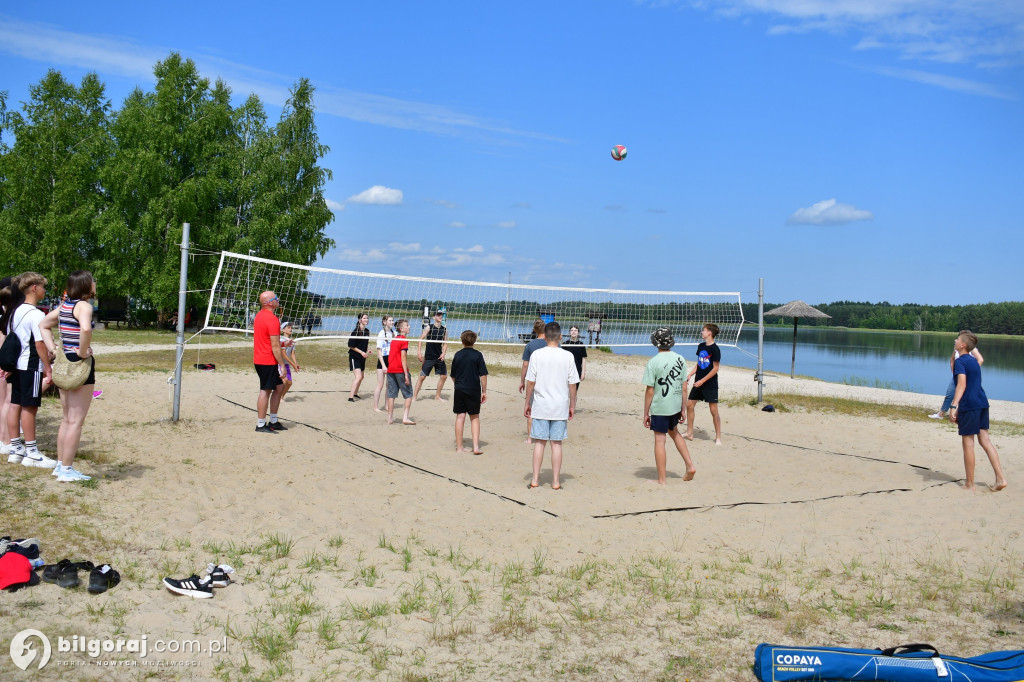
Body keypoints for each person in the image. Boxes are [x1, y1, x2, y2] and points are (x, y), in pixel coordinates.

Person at [38, 271, 97, 481]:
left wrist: (53, 348)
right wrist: (82, 352)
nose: (95, 284)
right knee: (75, 421)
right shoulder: (84, 306)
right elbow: (85, 329)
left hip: (63, 362)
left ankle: (61, 465)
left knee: (66, 419)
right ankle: (66, 470)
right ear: (86, 285)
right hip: (78, 363)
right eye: (93, 281)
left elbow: (43, 325)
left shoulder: (65, 306)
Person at [4, 273, 57, 468]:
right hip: (31, 365)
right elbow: (39, 343)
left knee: (15, 403)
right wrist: (47, 367)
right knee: (29, 407)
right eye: (43, 287)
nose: (45, 291)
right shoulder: (35, 314)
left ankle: (16, 448)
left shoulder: (15, 311)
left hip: (16, 365)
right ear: (34, 288)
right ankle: (32, 452)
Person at [949, 332, 1007, 492]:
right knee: (985, 441)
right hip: (982, 402)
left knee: (968, 443)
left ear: (962, 345)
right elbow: (956, 371)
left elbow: (961, 385)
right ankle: (1000, 478)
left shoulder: (962, 362)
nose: (955, 340)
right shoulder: (974, 361)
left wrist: (953, 406)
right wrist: (953, 358)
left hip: (970, 405)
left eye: (958, 339)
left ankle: (970, 484)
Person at [524, 322, 579, 490]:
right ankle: (555, 482)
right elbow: (572, 385)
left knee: (539, 443)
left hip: (541, 405)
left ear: (545, 337)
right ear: (561, 336)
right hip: (559, 406)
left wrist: (527, 402)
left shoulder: (537, 355)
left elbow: (530, 382)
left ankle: (535, 480)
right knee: (556, 444)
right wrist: (572, 405)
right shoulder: (567, 356)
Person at [642, 327, 696, 485]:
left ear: (656, 343)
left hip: (661, 406)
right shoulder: (680, 358)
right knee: (675, 433)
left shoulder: (653, 362)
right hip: (675, 405)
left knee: (660, 440)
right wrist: (683, 408)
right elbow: (684, 386)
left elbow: (650, 391)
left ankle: (662, 480)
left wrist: (646, 413)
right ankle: (690, 465)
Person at [253, 291, 288, 433]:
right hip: (267, 360)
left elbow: (270, 341)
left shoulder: (259, 315)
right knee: (265, 390)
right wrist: (282, 365)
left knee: (279, 388)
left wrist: (284, 344)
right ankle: (261, 424)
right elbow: (274, 346)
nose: (278, 300)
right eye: (276, 298)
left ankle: (273, 421)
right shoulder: (272, 319)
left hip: (262, 358)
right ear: (269, 302)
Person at [684, 323, 723, 445]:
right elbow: (699, 363)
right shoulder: (701, 346)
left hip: (709, 383)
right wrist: (690, 374)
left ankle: (718, 438)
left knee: (713, 410)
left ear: (709, 333)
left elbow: (715, 368)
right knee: (690, 405)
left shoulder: (715, 349)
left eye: (704, 330)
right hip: (698, 381)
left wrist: (702, 380)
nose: (702, 332)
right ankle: (690, 432)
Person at [930, 332, 984, 419]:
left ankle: (959, 414)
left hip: (966, 376)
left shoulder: (971, 348)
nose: (956, 340)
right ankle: (941, 414)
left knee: (964, 394)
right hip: (958, 374)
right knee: (950, 394)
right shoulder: (957, 349)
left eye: (959, 338)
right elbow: (952, 359)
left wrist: (972, 373)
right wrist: (953, 369)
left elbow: (980, 360)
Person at [451, 330, 488, 455]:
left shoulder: (458, 355)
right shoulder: (477, 355)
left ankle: (460, 447)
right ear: (474, 341)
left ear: (462, 341)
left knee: (460, 417)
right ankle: (476, 447)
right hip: (473, 389)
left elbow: (453, 375)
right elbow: (483, 375)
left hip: (460, 388)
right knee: (474, 417)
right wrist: (484, 391)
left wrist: (458, 384)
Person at [519, 319, 548, 443]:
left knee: (530, 408)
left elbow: (525, 365)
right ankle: (545, 435)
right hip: (549, 381)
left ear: (534, 330)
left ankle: (530, 438)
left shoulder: (530, 345)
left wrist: (522, 381)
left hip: (534, 380)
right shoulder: (553, 344)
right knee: (547, 408)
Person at [0, 276, 19, 461]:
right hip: (3, 364)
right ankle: (6, 441)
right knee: (6, 402)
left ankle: (4, 439)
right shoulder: (8, 316)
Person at [386, 319, 415, 425]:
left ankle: (390, 419)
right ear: (402, 329)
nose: (409, 327)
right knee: (408, 394)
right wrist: (406, 374)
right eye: (407, 325)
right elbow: (403, 358)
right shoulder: (403, 339)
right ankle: (405, 418)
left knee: (391, 395)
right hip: (399, 370)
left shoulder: (394, 339)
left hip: (391, 370)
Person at [414, 309, 448, 401]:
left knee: (444, 376)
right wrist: (419, 352)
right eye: (438, 315)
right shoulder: (429, 327)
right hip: (429, 357)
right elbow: (420, 339)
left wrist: (444, 353)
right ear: (434, 317)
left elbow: (445, 343)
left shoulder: (444, 329)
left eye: (441, 315)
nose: (440, 316)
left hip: (439, 357)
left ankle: (437, 396)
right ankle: (414, 397)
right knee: (422, 377)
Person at [347, 313, 371, 402]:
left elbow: (365, 344)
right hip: (355, 356)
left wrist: (368, 349)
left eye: (367, 318)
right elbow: (350, 345)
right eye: (364, 318)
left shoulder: (367, 331)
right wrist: (361, 352)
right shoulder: (355, 332)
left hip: (362, 356)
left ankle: (356, 393)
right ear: (360, 320)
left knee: (362, 377)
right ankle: (350, 397)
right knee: (358, 376)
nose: (366, 319)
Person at [373, 315, 394, 412]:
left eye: (393, 320)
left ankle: (386, 406)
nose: (392, 322)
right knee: (380, 384)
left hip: (391, 360)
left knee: (389, 385)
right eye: (390, 320)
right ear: (384, 322)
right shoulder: (381, 334)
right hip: (383, 361)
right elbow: (379, 351)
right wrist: (383, 365)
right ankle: (376, 407)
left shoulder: (394, 333)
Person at [563, 325, 588, 396]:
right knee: (565, 392)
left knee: (574, 393)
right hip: (566, 371)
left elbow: (584, 359)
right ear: (569, 332)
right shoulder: (565, 344)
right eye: (572, 330)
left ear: (578, 333)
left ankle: (572, 407)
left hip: (577, 371)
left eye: (575, 330)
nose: (573, 332)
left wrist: (583, 373)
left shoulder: (581, 345)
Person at [279, 321, 300, 402]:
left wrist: (296, 364)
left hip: (286, 364)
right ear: (283, 330)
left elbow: (293, 354)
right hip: (280, 364)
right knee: (284, 381)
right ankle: (277, 397)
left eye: (291, 328)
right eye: (288, 327)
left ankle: (281, 397)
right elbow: (283, 354)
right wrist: (293, 365)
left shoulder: (292, 341)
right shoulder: (281, 340)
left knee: (289, 383)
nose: (291, 329)